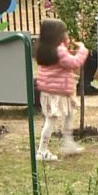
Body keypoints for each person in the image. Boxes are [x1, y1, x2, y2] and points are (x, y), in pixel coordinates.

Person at [34, 18, 89, 161]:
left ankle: (67, 142)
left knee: (69, 114)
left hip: (53, 92)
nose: (66, 34)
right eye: (64, 32)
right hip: (57, 93)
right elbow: (74, 62)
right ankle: (42, 150)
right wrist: (82, 50)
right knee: (51, 120)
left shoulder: (45, 50)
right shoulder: (59, 51)